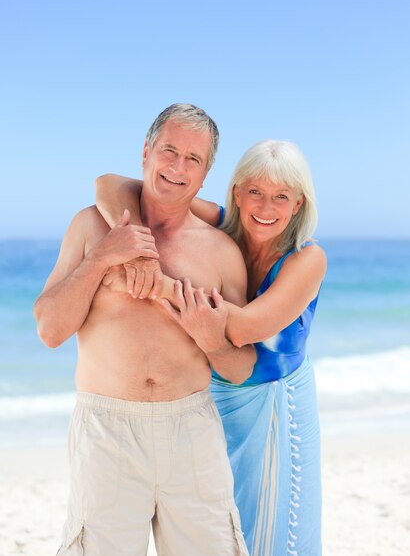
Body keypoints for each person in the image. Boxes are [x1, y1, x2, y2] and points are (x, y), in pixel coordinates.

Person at [34, 103, 255, 556]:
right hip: (107, 429)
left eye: (193, 159)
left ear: (205, 172)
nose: (177, 168)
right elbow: (50, 330)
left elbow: (241, 368)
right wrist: (100, 259)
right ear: (146, 152)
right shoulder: (90, 226)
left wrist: (210, 339)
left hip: (191, 428)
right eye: (169, 151)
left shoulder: (221, 252)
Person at [96, 138, 327, 556]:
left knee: (270, 529)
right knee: (219, 529)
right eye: (255, 192)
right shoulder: (223, 228)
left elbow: (243, 328)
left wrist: (151, 283)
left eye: (281, 196)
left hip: (275, 408)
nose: (265, 207)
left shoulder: (307, 260)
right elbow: (110, 185)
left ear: (298, 204)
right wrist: (142, 252)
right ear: (237, 193)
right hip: (214, 393)